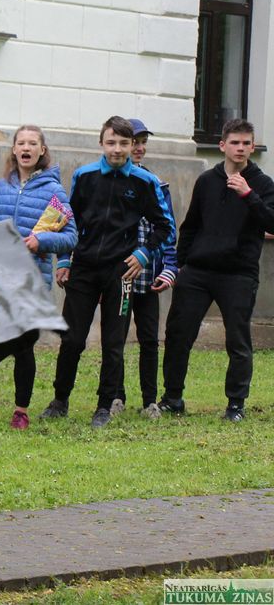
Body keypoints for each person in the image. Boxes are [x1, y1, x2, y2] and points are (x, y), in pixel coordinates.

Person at [40, 116, 174, 428]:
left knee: (113, 343)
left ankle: (103, 406)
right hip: (84, 268)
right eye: (111, 142)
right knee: (72, 339)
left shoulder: (145, 182)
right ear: (101, 143)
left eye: (124, 143)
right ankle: (60, 400)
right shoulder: (84, 176)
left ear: (132, 146)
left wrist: (143, 254)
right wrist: (64, 261)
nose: (117, 149)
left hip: (121, 273)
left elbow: (165, 227)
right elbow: (68, 220)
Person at [0, 125, 77, 430]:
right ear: (14, 149)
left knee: (22, 347)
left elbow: (71, 236)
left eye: (32, 143)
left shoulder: (54, 192)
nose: (26, 148)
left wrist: (41, 241)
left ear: (41, 151)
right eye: (21, 143)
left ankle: (21, 411)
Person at [159, 118, 274, 422]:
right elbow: (191, 226)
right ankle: (172, 398)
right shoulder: (207, 181)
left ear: (253, 146)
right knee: (178, 334)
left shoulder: (263, 184)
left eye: (246, 143)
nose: (240, 148)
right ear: (222, 145)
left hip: (238, 274)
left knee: (238, 340)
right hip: (197, 271)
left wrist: (249, 195)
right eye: (234, 142)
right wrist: (180, 266)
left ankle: (236, 404)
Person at [116, 118, 177, 419]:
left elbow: (169, 231)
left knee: (150, 339)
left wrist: (169, 268)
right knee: (115, 338)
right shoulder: (111, 182)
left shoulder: (157, 184)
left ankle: (150, 401)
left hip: (149, 277)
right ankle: (115, 396)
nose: (139, 148)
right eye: (134, 142)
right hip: (119, 278)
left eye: (142, 143)